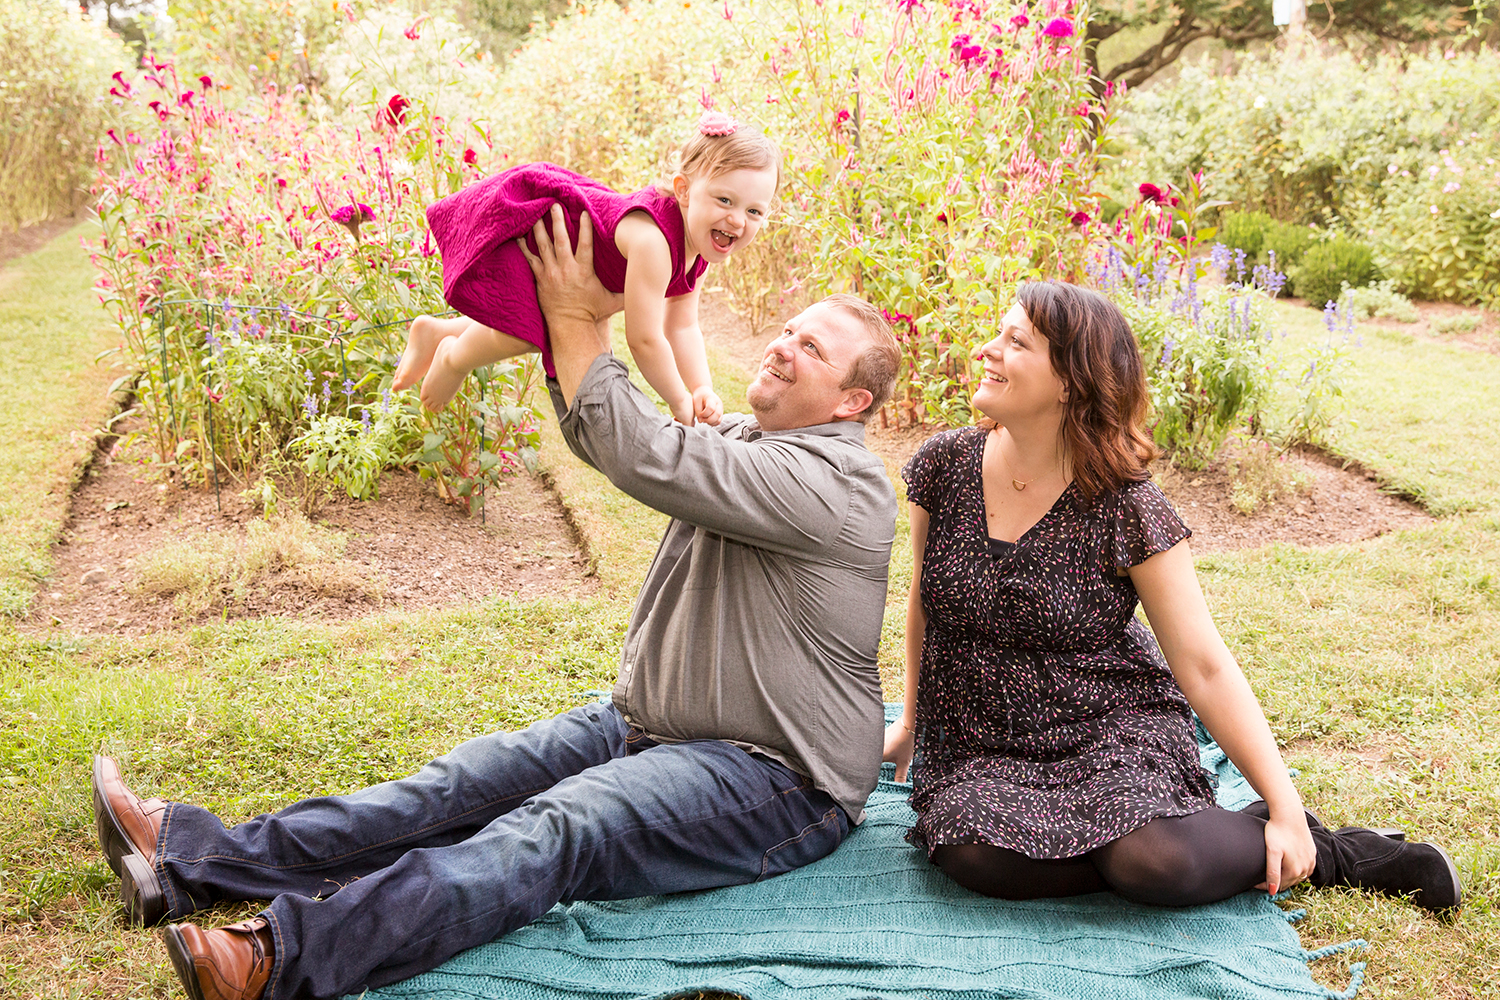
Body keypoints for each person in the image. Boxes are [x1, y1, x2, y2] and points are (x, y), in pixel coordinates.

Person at [93, 207, 903, 1000]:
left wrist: (573, 312)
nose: (784, 345)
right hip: (653, 721)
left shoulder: (838, 485)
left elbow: (645, 455)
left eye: (813, 348)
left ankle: (278, 959)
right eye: (789, 328)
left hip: (779, 776)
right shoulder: (743, 440)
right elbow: (611, 436)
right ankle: (188, 857)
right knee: (455, 788)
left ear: (851, 405)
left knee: (562, 827)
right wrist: (562, 324)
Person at [882, 280, 1463, 913]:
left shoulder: (1125, 503)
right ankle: (1154, 839)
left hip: (1104, 723)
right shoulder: (945, 464)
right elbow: (923, 602)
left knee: (1156, 864)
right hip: (978, 735)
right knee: (974, 854)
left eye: (1015, 341)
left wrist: (1287, 803)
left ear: (1072, 381)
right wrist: (912, 723)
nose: (986, 350)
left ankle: (1328, 850)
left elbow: (1203, 662)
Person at [393, 110, 778, 423]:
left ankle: (437, 330)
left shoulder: (698, 246)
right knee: (527, 332)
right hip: (541, 228)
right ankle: (452, 358)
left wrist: (700, 388)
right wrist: (678, 400)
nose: (737, 220)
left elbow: (681, 325)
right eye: (725, 200)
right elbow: (644, 339)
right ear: (683, 191)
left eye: (754, 210)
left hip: (569, 250)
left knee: (532, 323)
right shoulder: (654, 243)